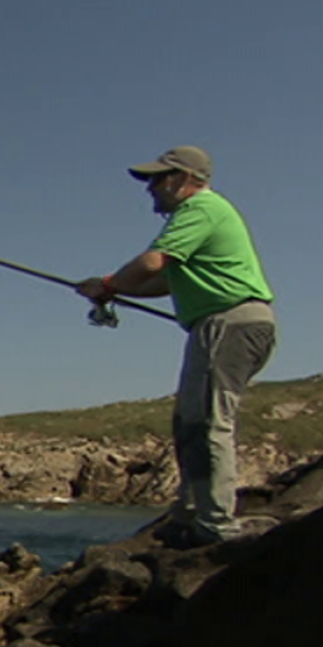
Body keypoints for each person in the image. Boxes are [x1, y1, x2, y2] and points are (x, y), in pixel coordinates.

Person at [75, 146, 277, 546]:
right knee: (189, 423)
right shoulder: (201, 218)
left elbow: (152, 264)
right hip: (219, 326)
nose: (150, 188)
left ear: (184, 179)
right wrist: (110, 291)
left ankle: (217, 526)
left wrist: (109, 284)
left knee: (208, 423)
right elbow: (163, 283)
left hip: (229, 324)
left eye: (157, 178)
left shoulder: (200, 209)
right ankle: (189, 514)